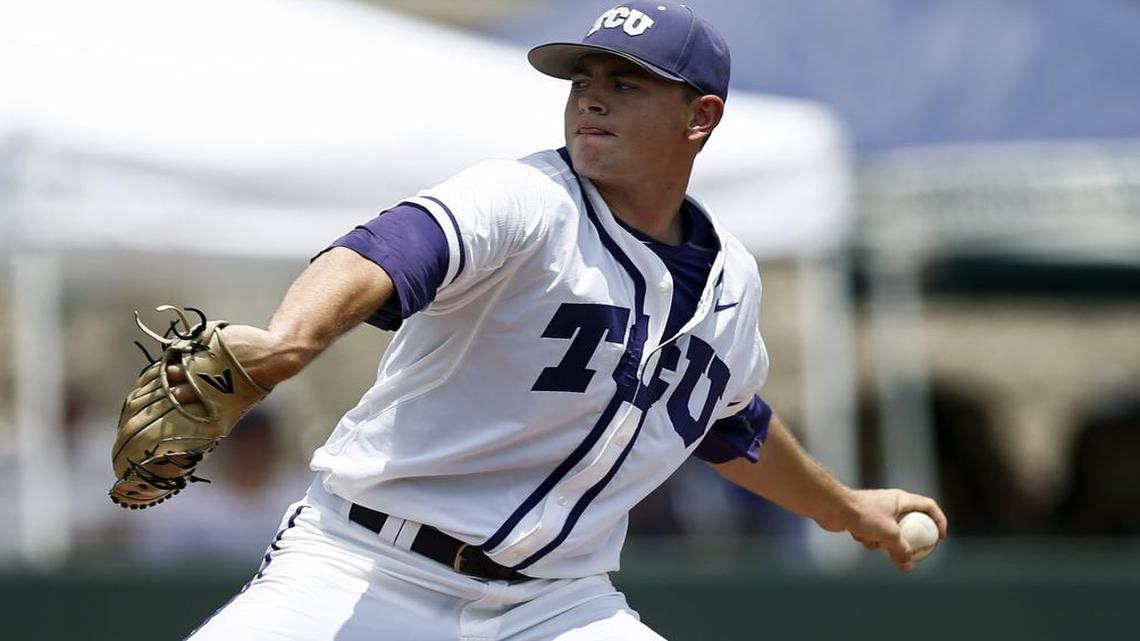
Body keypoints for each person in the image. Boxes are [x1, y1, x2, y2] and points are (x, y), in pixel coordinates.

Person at [173, 3, 947, 639]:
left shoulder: (730, 279)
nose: (592, 98)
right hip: (365, 567)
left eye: (627, 83)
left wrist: (847, 508)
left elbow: (729, 424)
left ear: (700, 117)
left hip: (554, 605)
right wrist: (291, 337)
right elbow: (389, 249)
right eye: (583, 80)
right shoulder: (525, 198)